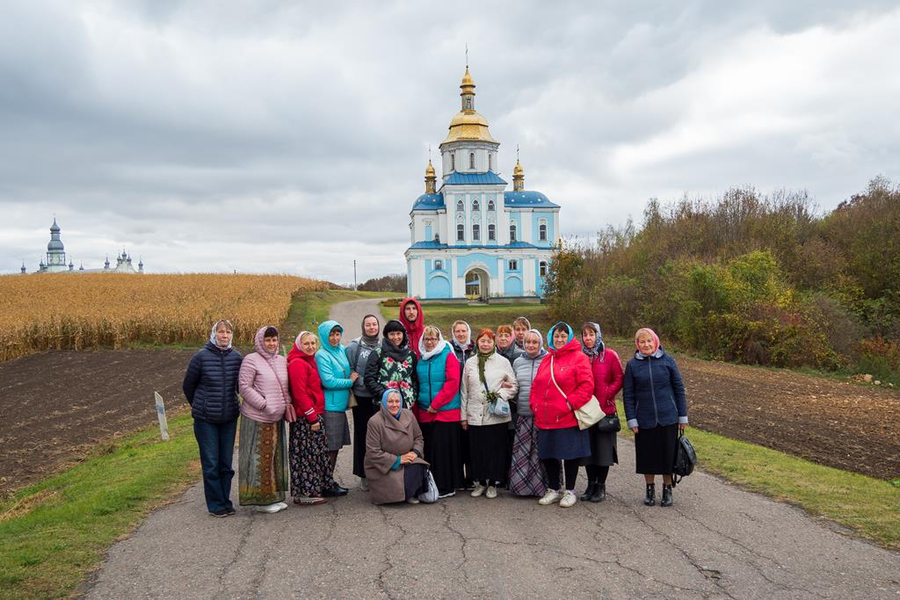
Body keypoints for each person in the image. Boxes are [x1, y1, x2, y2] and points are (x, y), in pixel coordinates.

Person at [183, 319, 243, 517]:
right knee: (211, 463)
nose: (224, 336)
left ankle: (225, 501)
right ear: (213, 334)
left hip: (228, 418)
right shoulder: (201, 357)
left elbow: (239, 387)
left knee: (226, 464)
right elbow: (188, 386)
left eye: (228, 332)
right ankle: (215, 505)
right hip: (206, 420)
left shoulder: (236, 357)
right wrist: (201, 405)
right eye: (221, 332)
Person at [623, 328, 688, 508]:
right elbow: (628, 394)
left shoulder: (668, 361)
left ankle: (667, 489)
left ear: (655, 341)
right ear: (637, 344)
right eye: (642, 342)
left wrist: (682, 416)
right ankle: (649, 490)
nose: (646, 345)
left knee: (667, 456)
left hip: (668, 417)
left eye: (649, 341)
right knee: (647, 457)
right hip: (644, 419)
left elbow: (678, 389)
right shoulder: (632, 365)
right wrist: (632, 419)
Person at [530, 322, 593, 508]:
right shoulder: (546, 359)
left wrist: (569, 403)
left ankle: (570, 490)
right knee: (549, 454)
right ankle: (554, 488)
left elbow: (587, 386)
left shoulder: (579, 358)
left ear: (570, 338)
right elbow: (536, 385)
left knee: (569, 455)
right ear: (551, 337)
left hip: (567, 417)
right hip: (546, 417)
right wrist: (534, 404)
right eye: (556, 336)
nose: (559, 339)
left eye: (563, 336)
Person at [238, 325, 291, 513]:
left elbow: (285, 387)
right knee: (260, 458)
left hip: (276, 417)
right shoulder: (251, 360)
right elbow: (244, 386)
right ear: (260, 341)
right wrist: (263, 404)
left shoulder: (281, 360)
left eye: (274, 340)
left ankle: (274, 496)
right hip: (258, 417)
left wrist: (287, 404)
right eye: (267, 340)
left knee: (274, 458)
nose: (271, 343)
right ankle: (262, 500)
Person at [461, 328, 518, 499]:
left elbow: (513, 385)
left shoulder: (502, 362)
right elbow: (464, 391)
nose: (485, 344)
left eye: (489, 341)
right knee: (477, 450)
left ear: (493, 343)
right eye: (482, 341)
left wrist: (499, 395)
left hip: (495, 415)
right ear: (477, 342)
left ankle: (493, 483)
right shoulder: (470, 363)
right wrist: (463, 416)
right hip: (475, 414)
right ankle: (480, 482)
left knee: (495, 451)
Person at [415, 325, 464, 497]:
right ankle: (432, 484)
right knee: (431, 451)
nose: (429, 342)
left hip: (445, 412)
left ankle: (446, 486)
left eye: (433, 339)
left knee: (443, 451)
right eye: (426, 339)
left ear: (439, 340)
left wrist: (436, 404)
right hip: (426, 412)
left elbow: (452, 383)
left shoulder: (447, 356)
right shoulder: (421, 359)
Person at [579, 322, 623, 502]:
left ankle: (601, 486)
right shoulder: (580, 356)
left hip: (604, 410)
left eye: (591, 334)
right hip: (586, 410)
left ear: (598, 335)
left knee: (603, 450)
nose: (588, 338)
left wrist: (607, 394)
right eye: (585, 335)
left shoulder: (610, 355)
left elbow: (619, 378)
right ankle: (590, 484)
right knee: (588, 451)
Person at [286, 330, 330, 505]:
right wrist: (312, 418)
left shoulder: (308, 362)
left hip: (313, 414)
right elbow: (300, 394)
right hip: (307, 417)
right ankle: (305, 493)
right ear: (299, 345)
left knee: (313, 454)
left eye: (313, 343)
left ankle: (310, 490)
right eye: (306, 344)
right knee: (306, 455)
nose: (310, 347)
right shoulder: (297, 363)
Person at [365, 390, 430, 505]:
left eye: (397, 401)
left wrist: (415, 452)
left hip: (408, 459)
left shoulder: (409, 414)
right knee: (397, 480)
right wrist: (398, 460)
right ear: (384, 403)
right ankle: (404, 494)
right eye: (390, 401)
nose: (394, 405)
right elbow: (373, 452)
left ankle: (408, 493)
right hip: (385, 466)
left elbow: (419, 437)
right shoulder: (375, 421)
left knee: (419, 467)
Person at [314, 320, 355, 497]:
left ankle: (327, 480)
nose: (335, 338)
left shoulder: (341, 350)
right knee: (330, 447)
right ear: (324, 335)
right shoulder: (322, 355)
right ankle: (325, 483)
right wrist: (350, 382)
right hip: (330, 406)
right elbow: (328, 381)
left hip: (339, 406)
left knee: (335, 446)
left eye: (337, 334)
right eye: (331, 334)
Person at [509, 329, 549, 497]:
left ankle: (544, 487)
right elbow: (514, 384)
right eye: (528, 342)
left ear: (540, 343)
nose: (531, 345)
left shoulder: (548, 360)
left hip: (543, 416)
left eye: (535, 342)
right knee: (523, 454)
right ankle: (521, 488)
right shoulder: (518, 362)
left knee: (542, 454)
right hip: (523, 414)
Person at [346, 314, 381, 492]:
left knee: (379, 437)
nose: (372, 328)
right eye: (368, 325)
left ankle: (379, 472)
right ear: (363, 327)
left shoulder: (383, 345)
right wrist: (362, 383)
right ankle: (363, 475)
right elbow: (350, 368)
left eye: (374, 324)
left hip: (378, 398)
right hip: (362, 398)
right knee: (362, 435)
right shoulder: (354, 346)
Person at [364, 319, 418, 409]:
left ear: (403, 334)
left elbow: (415, 378)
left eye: (398, 333)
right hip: (384, 403)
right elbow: (369, 379)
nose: (396, 337)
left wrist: (413, 395)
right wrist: (384, 394)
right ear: (387, 335)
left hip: (405, 403)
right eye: (392, 334)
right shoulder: (378, 353)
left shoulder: (411, 355)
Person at [449, 319, 474, 489]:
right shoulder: (449, 350)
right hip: (454, 400)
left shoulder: (475, 349)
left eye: (463, 331)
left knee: (471, 441)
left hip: (472, 401)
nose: (461, 334)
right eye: (457, 331)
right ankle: (458, 477)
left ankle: (472, 476)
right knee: (457, 442)